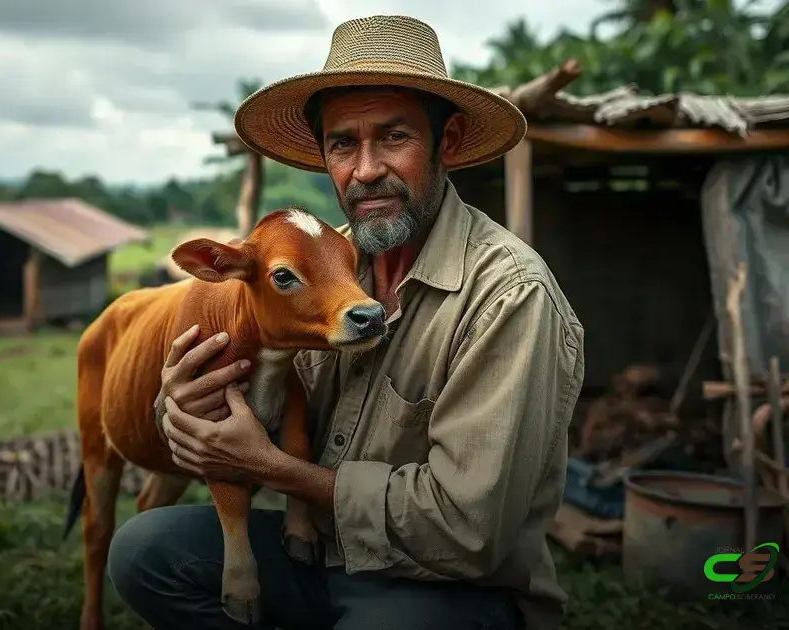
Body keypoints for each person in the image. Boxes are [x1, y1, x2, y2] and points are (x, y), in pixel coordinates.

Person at [106, 14, 585, 630]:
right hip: (319, 551)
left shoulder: (509, 296)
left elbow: (468, 533)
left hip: (449, 587)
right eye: (342, 145)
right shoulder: (312, 264)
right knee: (143, 551)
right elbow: (229, 409)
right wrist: (179, 407)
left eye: (394, 137)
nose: (365, 170)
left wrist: (274, 470)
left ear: (448, 141)